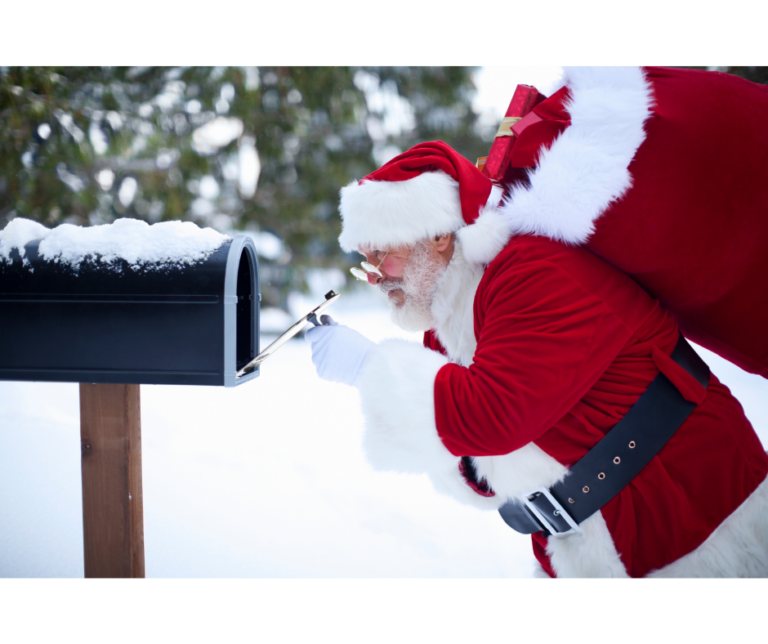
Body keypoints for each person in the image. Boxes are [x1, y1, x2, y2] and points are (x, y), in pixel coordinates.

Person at [306, 70, 768, 577]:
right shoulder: (449, 320)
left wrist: (369, 369)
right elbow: (478, 471)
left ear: (436, 236)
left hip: (690, 511)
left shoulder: (532, 272)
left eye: (382, 254)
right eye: (365, 259)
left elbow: (494, 415)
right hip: (587, 540)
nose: (374, 275)